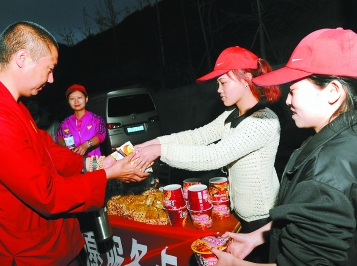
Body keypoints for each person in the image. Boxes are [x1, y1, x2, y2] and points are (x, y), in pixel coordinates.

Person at [0, 21, 148, 265]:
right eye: (49, 69)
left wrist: (94, 163)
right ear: (22, 58)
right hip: (22, 252)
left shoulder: (8, 104)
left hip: (48, 242)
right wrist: (106, 175)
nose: (50, 79)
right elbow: (46, 194)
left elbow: (44, 149)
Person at [213, 28, 357, 266]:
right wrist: (257, 236)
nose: (287, 100)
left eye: (293, 91)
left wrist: (233, 264)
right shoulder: (344, 136)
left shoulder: (325, 172)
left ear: (332, 92)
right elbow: (313, 215)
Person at [134, 46, 282, 262]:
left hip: (262, 221)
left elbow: (214, 155)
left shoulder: (263, 122)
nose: (218, 89)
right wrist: (152, 142)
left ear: (245, 78)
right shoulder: (232, 115)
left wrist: (159, 151)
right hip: (238, 215)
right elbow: (197, 136)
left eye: (223, 82)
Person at [55, 84, 106, 156]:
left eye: (79, 97)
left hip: (94, 162)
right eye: (72, 99)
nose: (76, 101)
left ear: (86, 98)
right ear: (68, 101)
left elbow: (101, 134)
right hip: (74, 162)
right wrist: (65, 146)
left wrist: (86, 145)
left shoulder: (96, 119)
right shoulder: (65, 123)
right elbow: (58, 137)